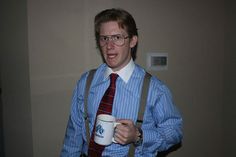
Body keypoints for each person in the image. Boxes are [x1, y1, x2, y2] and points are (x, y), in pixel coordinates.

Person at [60, 8, 183, 157]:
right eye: (104, 38)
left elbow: (174, 132)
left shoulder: (154, 88)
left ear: (132, 41)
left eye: (117, 37)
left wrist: (139, 135)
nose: (109, 46)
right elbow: (73, 135)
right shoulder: (86, 81)